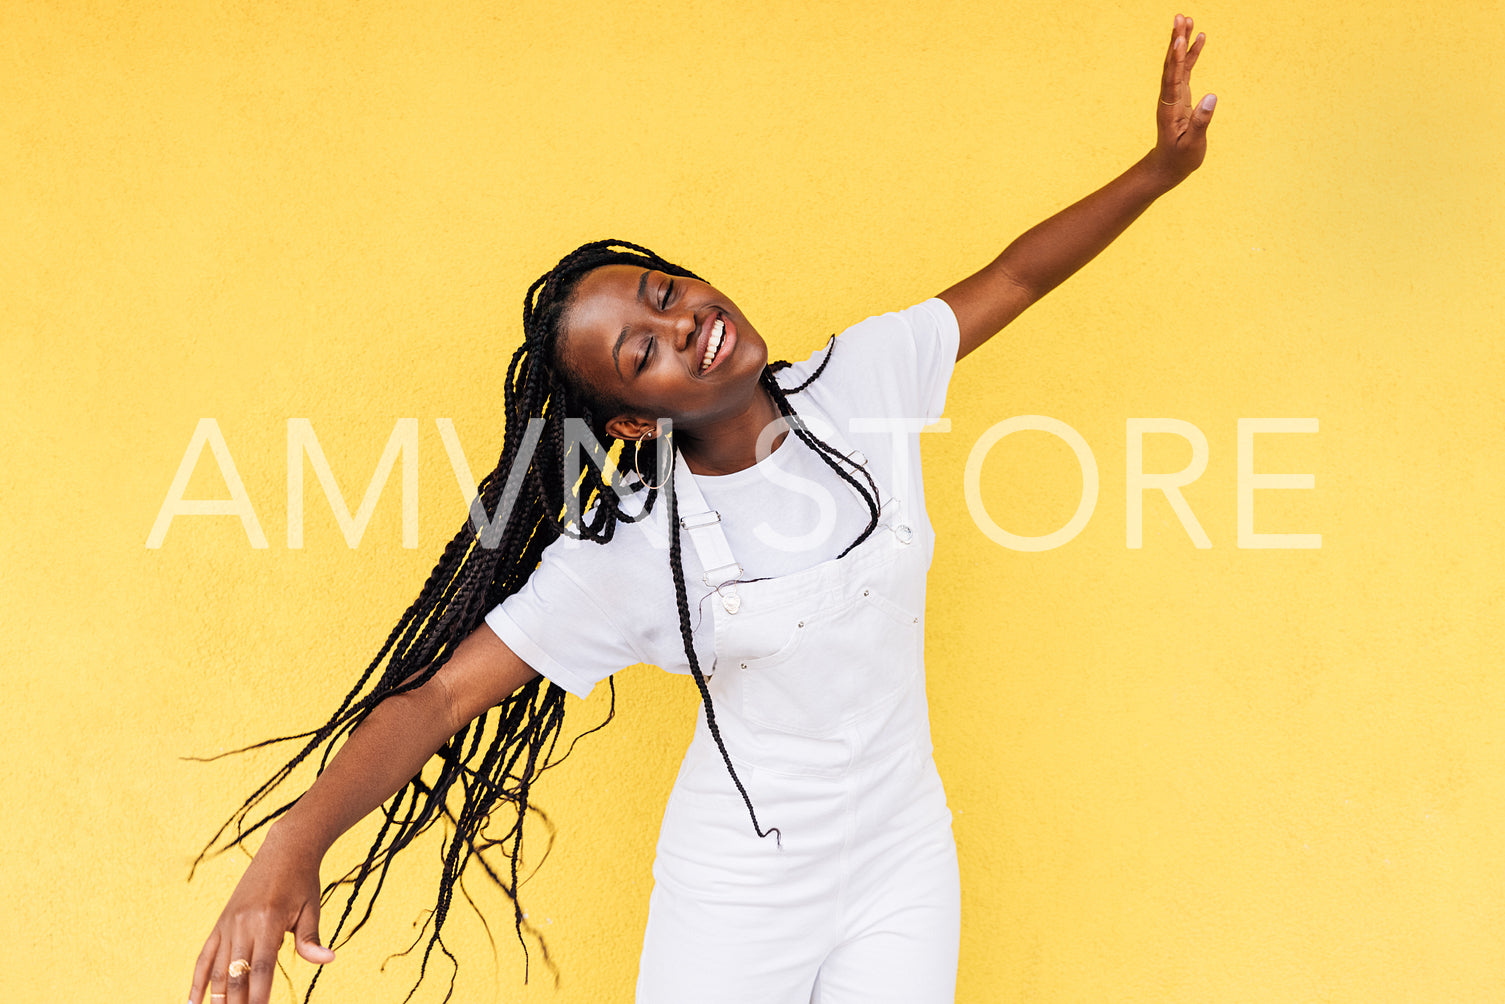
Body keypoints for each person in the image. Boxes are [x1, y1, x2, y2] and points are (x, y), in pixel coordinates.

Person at [188, 15, 1214, 1004]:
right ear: (632, 420)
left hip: (904, 854)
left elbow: (1017, 273)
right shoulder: (632, 549)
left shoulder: (866, 376)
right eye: (644, 350)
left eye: (666, 292)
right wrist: (294, 841)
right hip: (740, 895)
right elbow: (441, 697)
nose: (684, 324)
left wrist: (1159, 170)